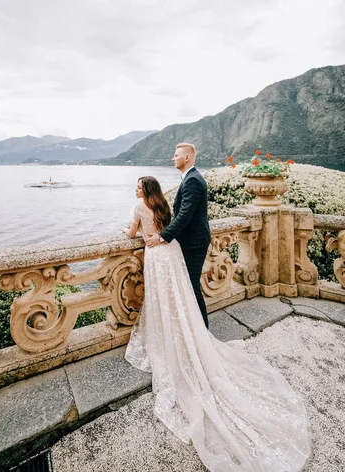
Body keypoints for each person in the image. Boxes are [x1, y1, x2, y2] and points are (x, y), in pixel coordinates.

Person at [123, 175, 311, 472]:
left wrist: (128, 231)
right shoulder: (160, 206)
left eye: (137, 187)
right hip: (171, 253)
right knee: (180, 298)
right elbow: (174, 222)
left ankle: (173, 337)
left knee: (163, 300)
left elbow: (131, 232)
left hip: (155, 254)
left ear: (143, 190)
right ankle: (189, 332)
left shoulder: (139, 207)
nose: (134, 190)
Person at [146, 143, 210, 327]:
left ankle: (202, 332)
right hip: (191, 240)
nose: (173, 158)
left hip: (194, 243)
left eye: (176, 155)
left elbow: (185, 215)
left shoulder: (193, 180)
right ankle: (196, 330)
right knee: (189, 286)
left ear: (187, 158)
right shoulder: (190, 178)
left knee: (191, 287)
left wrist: (161, 237)